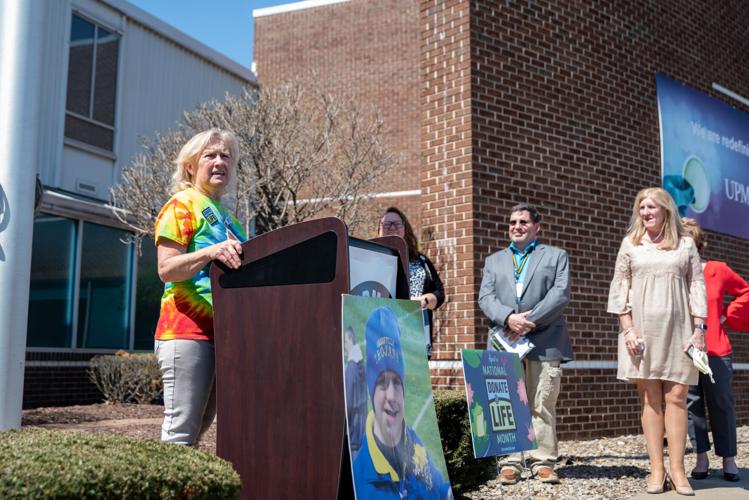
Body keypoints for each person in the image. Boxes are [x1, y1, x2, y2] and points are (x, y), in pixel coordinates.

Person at [607, 187, 706, 495]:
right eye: (641, 208)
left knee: (677, 396)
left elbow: (697, 286)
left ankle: (678, 470)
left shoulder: (686, 244)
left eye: (651, 207)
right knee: (651, 398)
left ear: (666, 210)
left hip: (679, 330)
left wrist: (699, 329)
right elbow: (619, 289)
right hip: (642, 332)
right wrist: (629, 331)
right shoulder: (630, 244)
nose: (646, 212)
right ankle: (657, 469)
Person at [153, 129, 246, 446]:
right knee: (180, 433)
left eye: (225, 156)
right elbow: (166, 269)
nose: (220, 161)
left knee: (199, 428)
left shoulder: (231, 219)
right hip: (185, 331)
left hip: (222, 336)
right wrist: (211, 251)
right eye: (210, 155)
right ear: (190, 166)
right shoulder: (180, 206)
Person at [478, 203, 572, 485]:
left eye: (523, 222)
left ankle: (542, 461)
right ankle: (510, 462)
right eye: (512, 222)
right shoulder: (494, 261)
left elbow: (560, 294)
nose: (516, 227)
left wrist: (527, 321)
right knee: (505, 402)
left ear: (536, 227)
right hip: (505, 341)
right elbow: (486, 298)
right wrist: (509, 319)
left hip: (544, 340)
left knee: (541, 402)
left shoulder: (556, 256)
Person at [352, 306, 452, 499]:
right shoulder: (362, 477)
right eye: (382, 383)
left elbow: (437, 488)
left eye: (396, 382)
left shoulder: (414, 444)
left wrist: (447, 492)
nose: (391, 395)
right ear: (371, 393)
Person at [681, 218, 749, 483]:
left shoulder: (717, 270)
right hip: (684, 349)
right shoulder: (675, 274)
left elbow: (745, 291)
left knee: (721, 402)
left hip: (716, 348)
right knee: (692, 405)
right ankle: (701, 457)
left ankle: (729, 458)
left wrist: (725, 316)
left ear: (698, 244)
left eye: (688, 244)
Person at [378, 207, 445, 357]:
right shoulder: (371, 258)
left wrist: (426, 300)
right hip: (383, 339)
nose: (392, 228)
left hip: (416, 337)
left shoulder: (421, 261)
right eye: (386, 224)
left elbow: (439, 293)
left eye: (397, 224)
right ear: (379, 230)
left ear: (405, 228)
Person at [344, 326, 368, 458]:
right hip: (362, 427)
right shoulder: (361, 365)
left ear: (350, 339)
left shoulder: (351, 369)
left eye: (345, 342)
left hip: (353, 432)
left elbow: (348, 404)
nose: (344, 346)